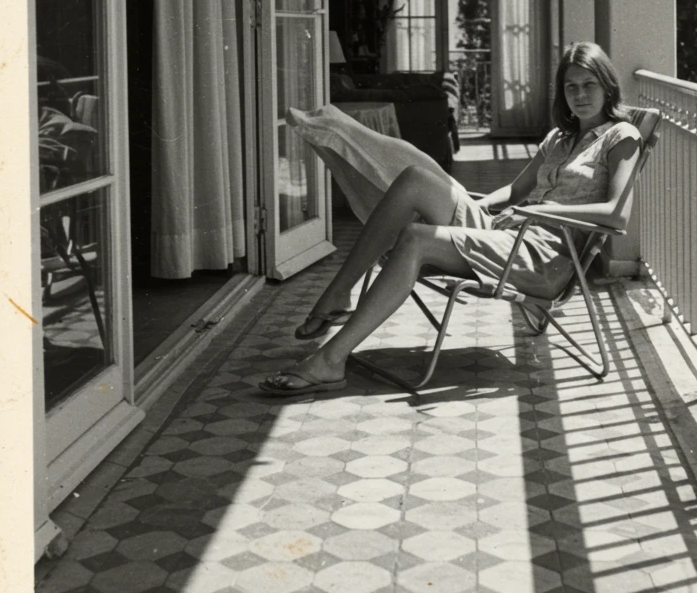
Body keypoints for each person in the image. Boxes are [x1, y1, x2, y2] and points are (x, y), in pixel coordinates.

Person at [259, 41, 642, 397]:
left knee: (416, 236)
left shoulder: (621, 136)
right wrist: (464, 201)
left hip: (542, 258)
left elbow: (615, 214)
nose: (580, 95)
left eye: (589, 84)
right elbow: (513, 192)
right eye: (571, 87)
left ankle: (329, 360)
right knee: (415, 180)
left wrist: (544, 211)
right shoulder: (559, 137)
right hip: (506, 233)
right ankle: (338, 293)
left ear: (607, 86)